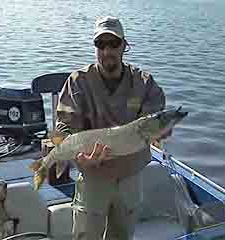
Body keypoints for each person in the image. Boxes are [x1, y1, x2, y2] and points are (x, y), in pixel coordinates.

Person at [55, 16, 166, 240]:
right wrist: (79, 158)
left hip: (130, 177)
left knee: (122, 236)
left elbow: (154, 123)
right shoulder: (78, 81)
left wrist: (162, 130)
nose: (107, 51)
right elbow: (64, 128)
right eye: (100, 44)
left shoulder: (144, 82)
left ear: (125, 45)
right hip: (93, 177)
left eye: (114, 44)